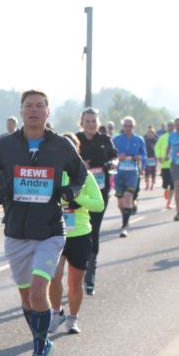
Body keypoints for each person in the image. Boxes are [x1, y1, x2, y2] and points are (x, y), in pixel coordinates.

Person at [0, 89, 87, 356]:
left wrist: (70, 192)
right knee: (27, 297)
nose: (34, 110)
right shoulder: (5, 146)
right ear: (22, 111)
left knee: (40, 291)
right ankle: (43, 341)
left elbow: (80, 175)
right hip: (16, 232)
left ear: (48, 112)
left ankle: (37, 354)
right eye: (29, 106)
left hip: (50, 230)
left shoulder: (61, 146)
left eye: (40, 106)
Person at [49, 134, 104, 334]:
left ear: (76, 151)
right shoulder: (52, 174)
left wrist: (79, 198)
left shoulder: (85, 176)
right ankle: (56, 313)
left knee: (75, 282)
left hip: (80, 234)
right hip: (55, 233)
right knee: (53, 277)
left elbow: (99, 205)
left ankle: (73, 318)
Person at [75, 108, 117, 295]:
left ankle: (90, 271)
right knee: (77, 230)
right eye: (87, 121)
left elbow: (114, 157)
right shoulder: (76, 140)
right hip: (77, 192)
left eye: (93, 121)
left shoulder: (104, 140)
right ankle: (77, 268)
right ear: (81, 122)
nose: (90, 124)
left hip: (99, 191)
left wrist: (111, 164)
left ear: (98, 123)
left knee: (95, 228)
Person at [112, 116, 147, 237]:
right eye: (126, 126)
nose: (128, 128)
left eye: (130, 126)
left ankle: (124, 227)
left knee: (128, 196)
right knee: (121, 203)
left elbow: (144, 155)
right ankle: (126, 215)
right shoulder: (116, 139)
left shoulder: (139, 139)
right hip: (119, 173)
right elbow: (110, 155)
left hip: (132, 172)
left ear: (134, 127)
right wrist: (117, 157)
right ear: (123, 127)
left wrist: (141, 161)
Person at [154, 120, 176, 209]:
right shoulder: (162, 137)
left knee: (173, 184)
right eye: (169, 125)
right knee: (165, 184)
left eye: (172, 125)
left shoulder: (177, 137)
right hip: (164, 165)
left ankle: (169, 202)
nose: (170, 127)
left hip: (175, 165)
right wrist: (159, 157)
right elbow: (157, 148)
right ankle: (166, 190)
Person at [143, 126, 158, 191]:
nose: (150, 134)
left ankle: (152, 185)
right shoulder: (145, 140)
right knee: (146, 172)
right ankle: (147, 184)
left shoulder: (156, 140)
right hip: (147, 157)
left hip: (153, 158)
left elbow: (157, 149)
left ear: (153, 133)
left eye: (151, 132)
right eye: (149, 132)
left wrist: (157, 157)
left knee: (153, 172)